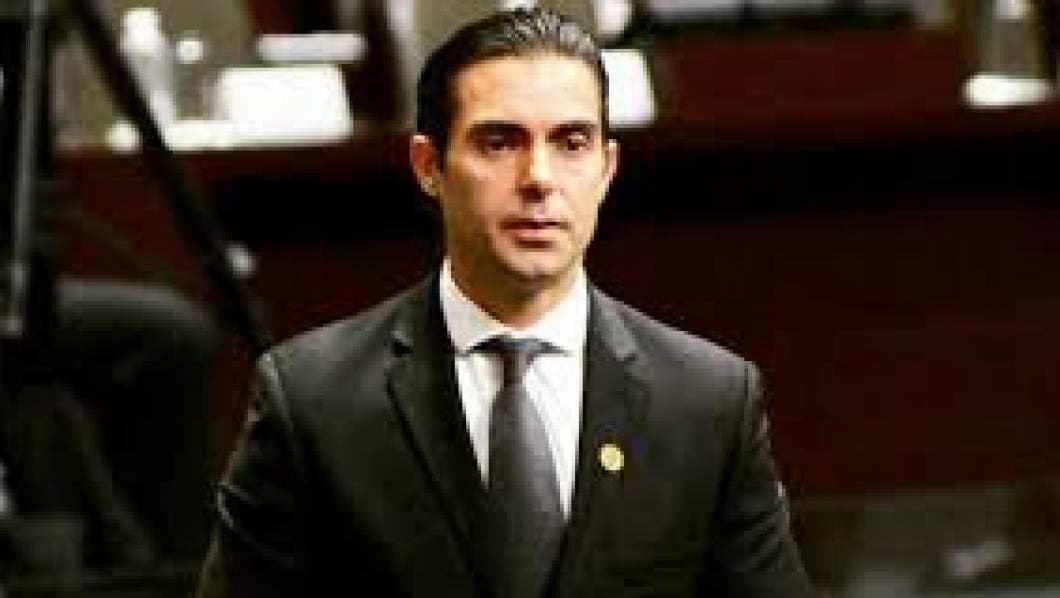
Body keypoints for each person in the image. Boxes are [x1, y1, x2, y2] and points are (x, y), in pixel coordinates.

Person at [198, 7, 812, 597]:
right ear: (428, 166)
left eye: (571, 142)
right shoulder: (314, 400)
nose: (539, 177)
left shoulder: (707, 401)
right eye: (498, 143)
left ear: (607, 168)